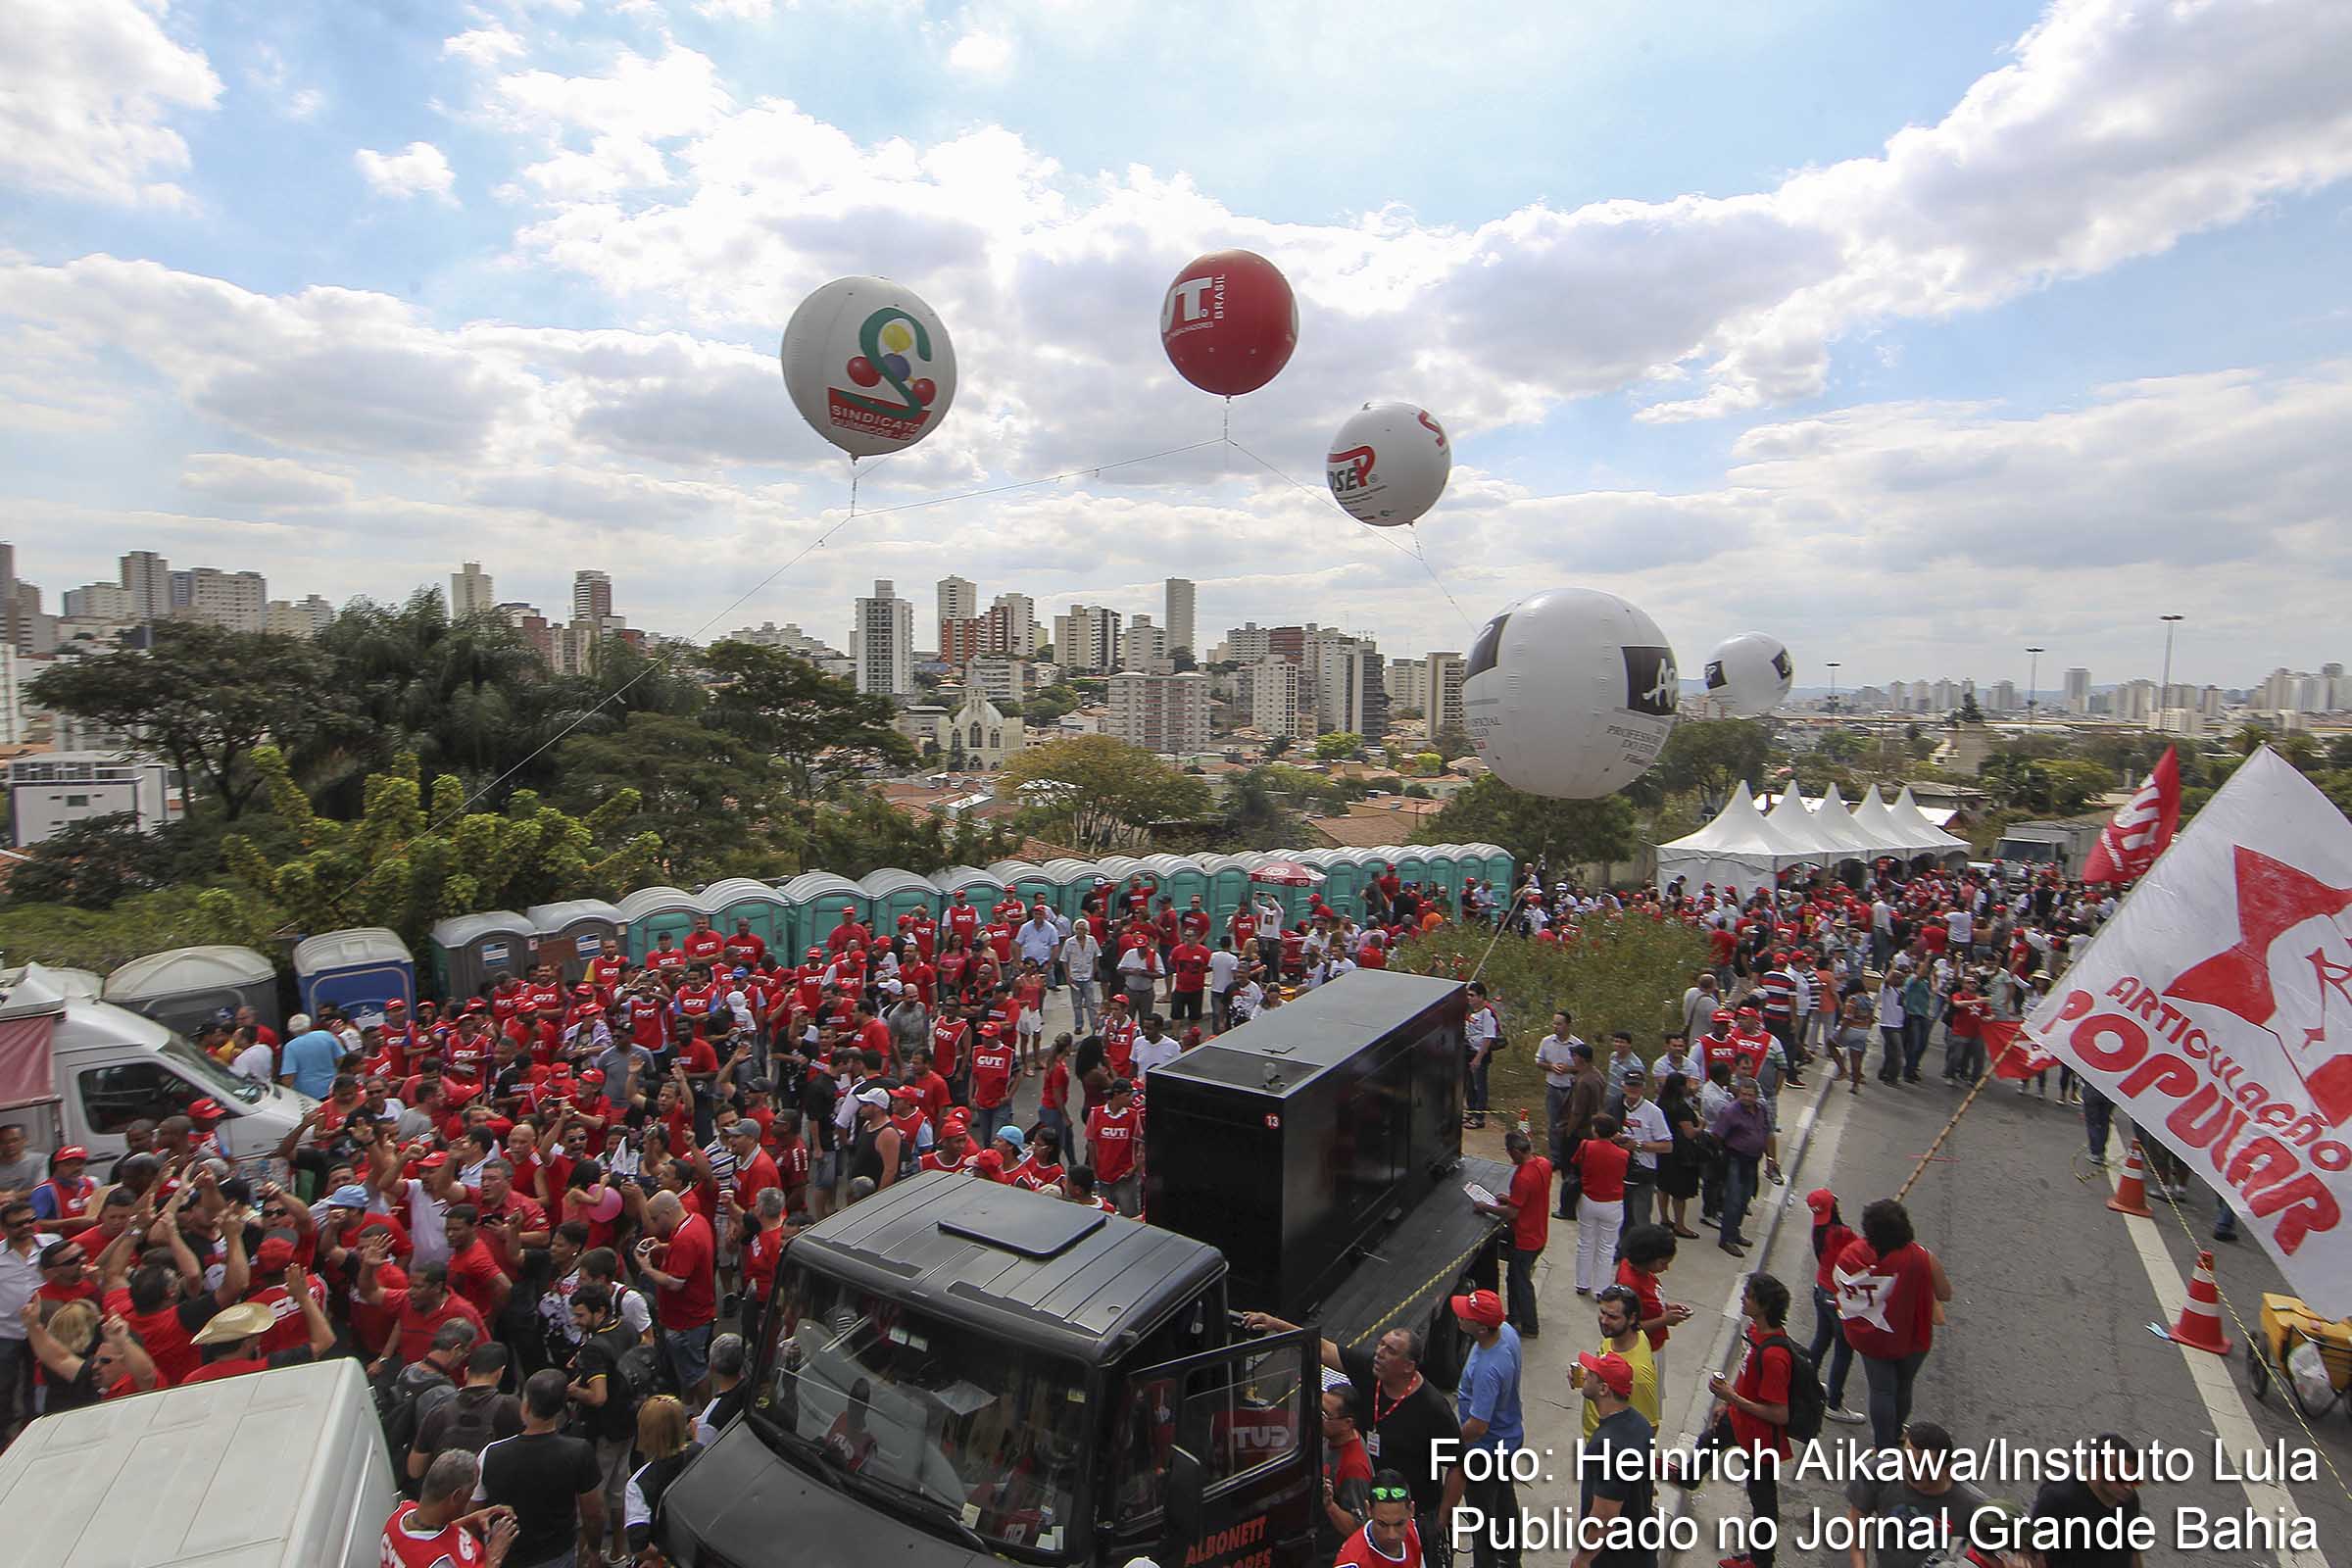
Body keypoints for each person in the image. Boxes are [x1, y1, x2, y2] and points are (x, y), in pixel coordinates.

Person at [1244, 1313, 1461, 1564]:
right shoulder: (1372, 1370)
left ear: (1408, 1366)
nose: (1379, 1353)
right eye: (1381, 1344)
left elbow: (1458, 1467)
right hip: (1376, 1504)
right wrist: (1274, 1324)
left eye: (1390, 1351)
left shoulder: (1432, 1409)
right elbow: (1323, 1348)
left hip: (1410, 1515)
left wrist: (1441, 1519)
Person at [1678, 1272, 1794, 1568]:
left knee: (1762, 1501)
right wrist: (1728, 1402)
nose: (1743, 1299)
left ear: (1764, 1306)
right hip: (1739, 1418)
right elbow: (1746, 1374)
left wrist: (1732, 1398)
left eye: (1749, 1297)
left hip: (1760, 1438)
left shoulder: (1775, 1356)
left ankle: (1760, 1561)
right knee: (1708, 1442)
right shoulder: (1755, 1331)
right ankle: (1689, 1477)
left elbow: (1779, 1413)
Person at [1835, 1199, 1952, 1450]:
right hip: (1912, 1336)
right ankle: (1897, 1431)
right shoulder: (1922, 1257)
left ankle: (1883, 1448)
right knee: (1903, 1387)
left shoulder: (1852, 1255)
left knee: (1881, 1391)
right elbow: (1944, 1293)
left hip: (1872, 1336)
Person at [473, 1368, 606, 1568]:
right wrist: (594, 1549)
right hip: (556, 1555)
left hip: (506, 1555)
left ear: (525, 1406)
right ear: (560, 1409)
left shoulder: (490, 1453)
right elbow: (593, 1513)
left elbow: (474, 1512)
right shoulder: (579, 1452)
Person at [1842, 1419, 2000, 1568]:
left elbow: (1999, 1558)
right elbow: (1857, 1521)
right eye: (1907, 1459)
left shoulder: (1975, 1506)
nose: (1911, 1470)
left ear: (1947, 1469)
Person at [1450, 1288, 1523, 1568]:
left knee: (1482, 1518)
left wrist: (1450, 1442)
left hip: (1486, 1451)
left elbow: (1478, 1426)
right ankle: (1511, 1558)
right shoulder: (1506, 1333)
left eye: (1465, 1316)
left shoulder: (1487, 1369)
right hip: (1509, 1438)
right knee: (1504, 1501)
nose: (1459, 1317)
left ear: (1481, 1328)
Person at [1571, 1350, 1656, 1568]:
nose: (1584, 1374)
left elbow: (1604, 1518)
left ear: (1604, 1389)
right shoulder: (1640, 1423)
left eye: (1590, 1374)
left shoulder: (1607, 1447)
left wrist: (1582, 1559)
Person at [2017, 1432, 2147, 1568]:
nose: (2128, 1487)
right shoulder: (2057, 1498)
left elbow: (2132, 1550)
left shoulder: (2129, 1500)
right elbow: (2029, 1551)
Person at [636, 1191, 717, 1400]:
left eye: (655, 1218)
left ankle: (705, 1413)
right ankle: (690, 1407)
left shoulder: (684, 1239)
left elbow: (675, 1283)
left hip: (687, 1319)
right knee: (689, 1370)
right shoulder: (696, 1221)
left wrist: (646, 1268)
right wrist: (662, 1247)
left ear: (666, 1213)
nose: (653, 1223)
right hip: (694, 1313)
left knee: (696, 1372)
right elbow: (688, 1254)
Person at [382, 1450, 521, 1568]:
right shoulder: (436, 1563)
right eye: (471, 1492)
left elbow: (431, 1536)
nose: (471, 1497)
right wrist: (493, 1558)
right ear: (456, 1496)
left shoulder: (405, 1510)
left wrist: (472, 1518)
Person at [410, 1344, 526, 1484]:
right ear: (499, 1373)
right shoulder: (511, 1407)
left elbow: (414, 1470)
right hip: (490, 1492)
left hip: (447, 1492)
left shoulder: (438, 1413)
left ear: (466, 1372)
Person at [1477, 1130, 1551, 1337]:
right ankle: (1516, 1317)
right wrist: (1511, 1199)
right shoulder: (1544, 1164)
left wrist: (1486, 1207)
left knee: (1521, 1282)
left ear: (1516, 1151)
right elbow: (1530, 1198)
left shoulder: (1523, 1177)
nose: (1510, 1156)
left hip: (1524, 1238)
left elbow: (1512, 1213)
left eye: (1510, 1152)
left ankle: (1530, 1326)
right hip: (1539, 1234)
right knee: (1515, 1279)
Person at [1804, 1190, 1865, 1425]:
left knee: (1821, 1339)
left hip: (1821, 1290)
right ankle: (1834, 1404)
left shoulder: (1819, 1230)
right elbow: (1864, 1251)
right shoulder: (1841, 1233)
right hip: (1838, 1297)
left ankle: (1806, 1384)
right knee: (1843, 1350)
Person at [623, 1396, 704, 1556]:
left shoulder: (638, 1484)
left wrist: (664, 1558)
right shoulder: (700, 1453)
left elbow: (640, 1546)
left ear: (645, 1433)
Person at [1709, 1077, 1779, 1256]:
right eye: (1743, 1094)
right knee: (1733, 1199)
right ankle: (1727, 1239)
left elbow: (1767, 1133)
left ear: (1756, 1096)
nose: (1746, 1098)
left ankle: (1735, 1231)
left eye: (1750, 1095)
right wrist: (1723, 1154)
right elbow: (1716, 1136)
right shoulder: (1730, 1112)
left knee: (1745, 1197)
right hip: (1735, 1159)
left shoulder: (1761, 1110)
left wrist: (1771, 1158)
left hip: (1753, 1161)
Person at [1582, 1285, 1660, 1438]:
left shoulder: (1639, 1375)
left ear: (1632, 1318)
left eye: (1613, 1317)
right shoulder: (1616, 1336)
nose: (1604, 1321)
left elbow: (1649, 1428)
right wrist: (1587, 1376)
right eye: (1602, 1312)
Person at [1572, 1115, 1630, 1296]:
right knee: (1607, 1247)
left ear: (1595, 1130)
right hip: (1612, 1203)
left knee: (1585, 1241)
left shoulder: (1586, 1146)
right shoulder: (1623, 1154)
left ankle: (1582, 1283)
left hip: (1589, 1199)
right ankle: (1601, 1289)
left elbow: (1575, 1163)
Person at [1318, 1385, 1376, 1561]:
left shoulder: (1354, 1468)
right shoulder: (1332, 1435)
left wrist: (1330, 1506)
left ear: (1348, 1423)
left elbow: (1358, 1527)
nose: (1318, 1417)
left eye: (1325, 1415)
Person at [1615, 1068, 1672, 1236]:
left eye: (1637, 1085)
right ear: (1623, 1086)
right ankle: (1621, 1247)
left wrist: (1638, 1145)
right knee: (1619, 1218)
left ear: (1643, 1087)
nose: (1633, 1089)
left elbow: (1667, 1146)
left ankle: (1641, 1249)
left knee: (1640, 1220)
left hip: (1643, 1173)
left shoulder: (1654, 1112)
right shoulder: (1614, 1106)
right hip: (1619, 1171)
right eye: (1630, 1085)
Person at [1333, 1469, 1424, 1568]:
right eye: (1382, 1524)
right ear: (1368, 1510)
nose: (1392, 1535)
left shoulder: (1413, 1532)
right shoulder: (1352, 1563)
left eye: (1399, 1524)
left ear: (1411, 1510)